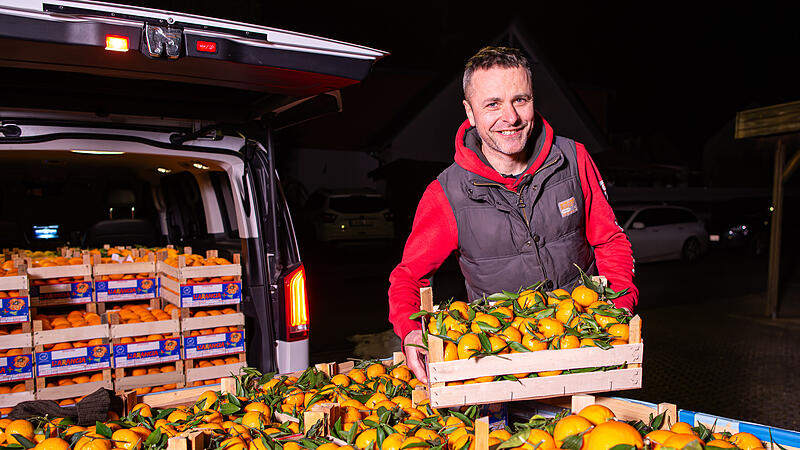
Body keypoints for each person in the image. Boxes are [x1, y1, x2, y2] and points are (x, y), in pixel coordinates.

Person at [387, 46, 638, 382]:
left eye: (520, 100)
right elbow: (408, 277)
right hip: (502, 369)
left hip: (588, 352)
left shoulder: (574, 159)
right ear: (470, 112)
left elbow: (610, 240)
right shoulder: (446, 193)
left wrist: (618, 311)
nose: (511, 117)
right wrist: (411, 331)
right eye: (492, 104)